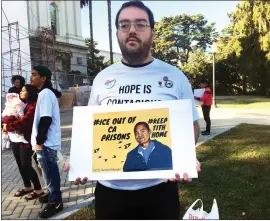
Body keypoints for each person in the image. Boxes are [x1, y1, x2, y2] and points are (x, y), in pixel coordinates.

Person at [66, 1, 201, 219]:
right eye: (124, 25)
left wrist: (185, 157)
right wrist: (81, 161)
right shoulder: (102, 78)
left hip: (160, 188)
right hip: (110, 192)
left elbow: (192, 127)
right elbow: (91, 130)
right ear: (118, 33)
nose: (131, 30)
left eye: (140, 24)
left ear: (152, 32)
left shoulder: (175, 76)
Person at [30, 65, 63, 219]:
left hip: (46, 143)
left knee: (50, 172)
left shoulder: (45, 93)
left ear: (43, 78)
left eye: (34, 74)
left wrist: (39, 141)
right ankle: (51, 194)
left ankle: (56, 202)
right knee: (48, 172)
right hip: (46, 142)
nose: (31, 77)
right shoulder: (45, 93)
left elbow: (46, 118)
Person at [2, 84, 44, 200]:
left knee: (26, 165)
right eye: (21, 90)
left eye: (23, 91)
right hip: (14, 138)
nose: (20, 92)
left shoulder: (33, 105)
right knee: (20, 164)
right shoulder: (19, 103)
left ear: (30, 93)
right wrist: (4, 125)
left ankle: (38, 189)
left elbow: (25, 122)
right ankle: (27, 186)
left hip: (26, 139)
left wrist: (8, 126)